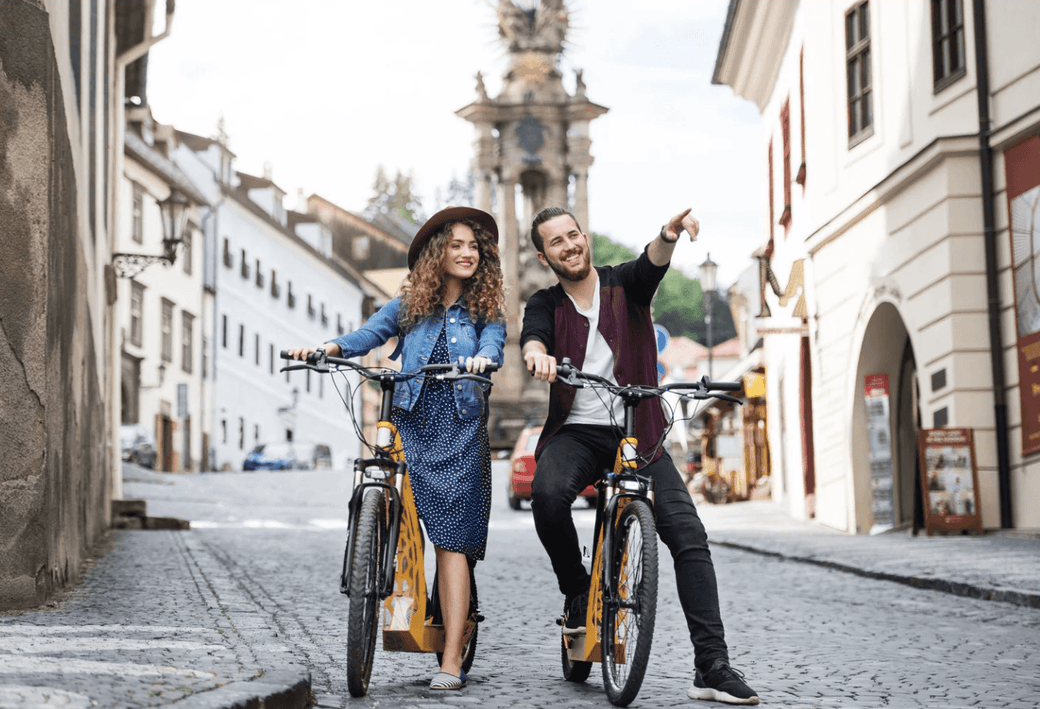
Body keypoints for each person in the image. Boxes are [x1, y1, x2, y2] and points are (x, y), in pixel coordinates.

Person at [520, 206, 759, 705]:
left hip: (640, 429)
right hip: (578, 432)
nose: (569, 245)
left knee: (690, 536)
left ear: (584, 238)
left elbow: (650, 265)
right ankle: (579, 589)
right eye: (556, 242)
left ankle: (712, 666)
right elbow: (533, 335)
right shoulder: (545, 302)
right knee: (546, 494)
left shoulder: (621, 283)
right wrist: (537, 355)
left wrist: (668, 235)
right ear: (546, 257)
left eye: (573, 235)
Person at [289, 207, 506, 691]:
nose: (467, 253)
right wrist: (328, 349)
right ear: (437, 253)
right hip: (409, 420)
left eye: (473, 246)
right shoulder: (411, 302)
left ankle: (450, 659)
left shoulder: (485, 308)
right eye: (456, 245)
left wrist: (482, 359)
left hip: (460, 428)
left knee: (451, 542)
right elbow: (371, 333)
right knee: (387, 490)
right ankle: (378, 555)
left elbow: (495, 344)